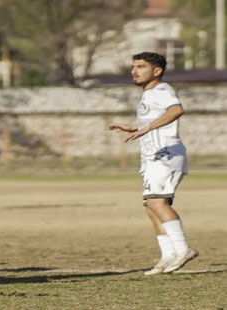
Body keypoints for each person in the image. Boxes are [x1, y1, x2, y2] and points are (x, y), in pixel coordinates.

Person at [108, 52, 197, 275]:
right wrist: (133, 127)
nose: (134, 71)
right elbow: (153, 119)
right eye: (133, 67)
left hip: (165, 154)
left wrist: (147, 129)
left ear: (157, 71)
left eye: (141, 66)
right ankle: (168, 255)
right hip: (152, 156)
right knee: (151, 206)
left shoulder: (162, 90)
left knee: (158, 204)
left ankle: (183, 248)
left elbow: (176, 110)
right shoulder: (149, 94)